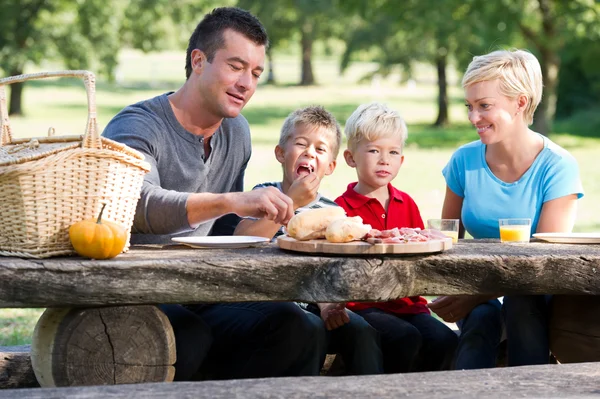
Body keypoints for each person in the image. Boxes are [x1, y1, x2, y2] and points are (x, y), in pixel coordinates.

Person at [103, 7, 323, 380]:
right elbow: (139, 204)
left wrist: (275, 210)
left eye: (255, 73)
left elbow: (224, 230)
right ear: (199, 61)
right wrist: (235, 200)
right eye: (236, 66)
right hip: (134, 290)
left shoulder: (237, 133)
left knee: (300, 326)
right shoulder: (137, 125)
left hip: (200, 289)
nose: (246, 83)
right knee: (190, 335)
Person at [428, 49, 584, 369]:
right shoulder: (464, 161)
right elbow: (446, 239)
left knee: (520, 302)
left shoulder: (558, 168)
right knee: (481, 318)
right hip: (480, 285)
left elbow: (545, 263)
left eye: (485, 106)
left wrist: (477, 294)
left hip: (537, 292)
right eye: (470, 106)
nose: (473, 118)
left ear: (520, 103)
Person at [235, 105, 384, 375]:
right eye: (301, 144)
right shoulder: (262, 196)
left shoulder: (333, 212)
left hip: (316, 302)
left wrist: (328, 303)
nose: (309, 153)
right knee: (310, 330)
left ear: (331, 166)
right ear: (281, 153)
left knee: (362, 332)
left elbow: (336, 268)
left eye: (320, 149)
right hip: (271, 302)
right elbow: (243, 240)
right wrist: (291, 201)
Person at [334, 102, 458, 373]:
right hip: (362, 304)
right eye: (374, 150)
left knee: (445, 339)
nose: (384, 160)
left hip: (407, 303)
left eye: (392, 152)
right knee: (404, 337)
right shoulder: (340, 211)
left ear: (401, 160)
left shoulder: (407, 204)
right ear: (351, 157)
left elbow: (420, 256)